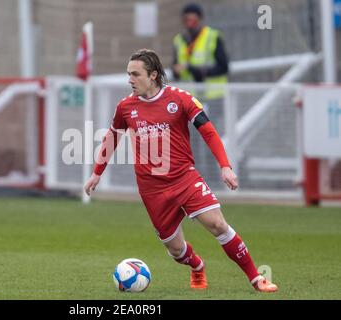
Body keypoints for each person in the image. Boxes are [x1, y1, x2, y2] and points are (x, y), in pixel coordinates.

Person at [84, 49, 277, 293]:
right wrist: (96, 173)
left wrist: (225, 166)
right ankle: (197, 266)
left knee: (217, 224)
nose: (130, 80)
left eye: (135, 74)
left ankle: (256, 278)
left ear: (153, 75)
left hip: (185, 178)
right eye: (128, 74)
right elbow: (112, 138)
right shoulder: (125, 107)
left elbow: (208, 130)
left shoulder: (181, 99)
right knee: (176, 250)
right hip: (152, 190)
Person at [172, 3, 229, 187]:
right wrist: (178, 70)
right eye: (186, 19)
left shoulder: (212, 37)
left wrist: (197, 70)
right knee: (192, 142)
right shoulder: (179, 41)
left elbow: (223, 66)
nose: (189, 23)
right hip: (190, 100)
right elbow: (176, 68)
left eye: (193, 19)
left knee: (211, 138)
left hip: (213, 97)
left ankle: (217, 178)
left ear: (199, 19)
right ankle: (197, 178)